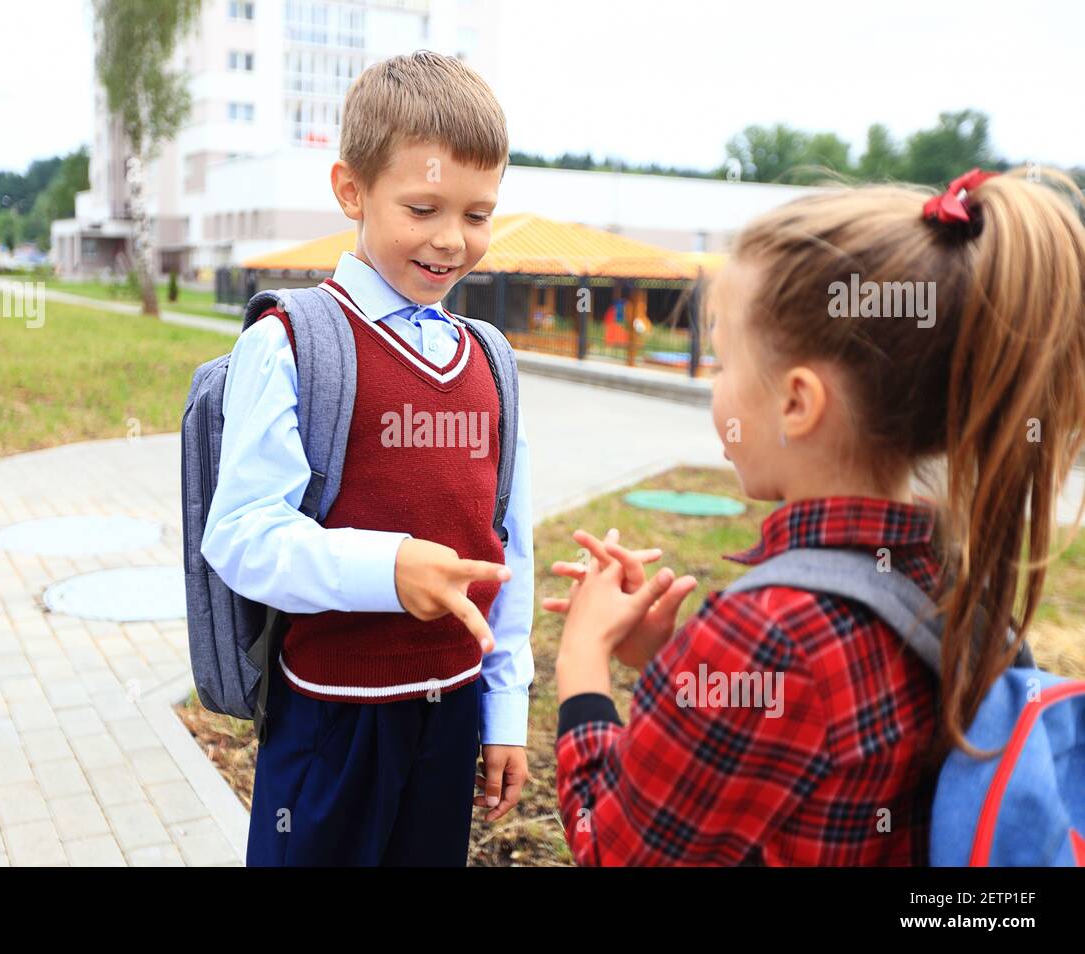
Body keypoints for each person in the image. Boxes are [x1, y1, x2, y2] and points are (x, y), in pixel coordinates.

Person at [548, 168, 1085, 865]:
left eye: (722, 360)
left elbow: (614, 852)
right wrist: (677, 674)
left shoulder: (767, 637)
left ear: (797, 402)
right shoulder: (944, 571)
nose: (715, 386)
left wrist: (582, 661)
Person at [201, 51, 534, 866]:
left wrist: (505, 712)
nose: (453, 240)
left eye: (479, 214)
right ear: (351, 190)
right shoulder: (290, 343)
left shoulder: (491, 362)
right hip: (333, 723)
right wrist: (389, 570)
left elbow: (507, 550)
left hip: (450, 714)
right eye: (422, 207)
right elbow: (241, 533)